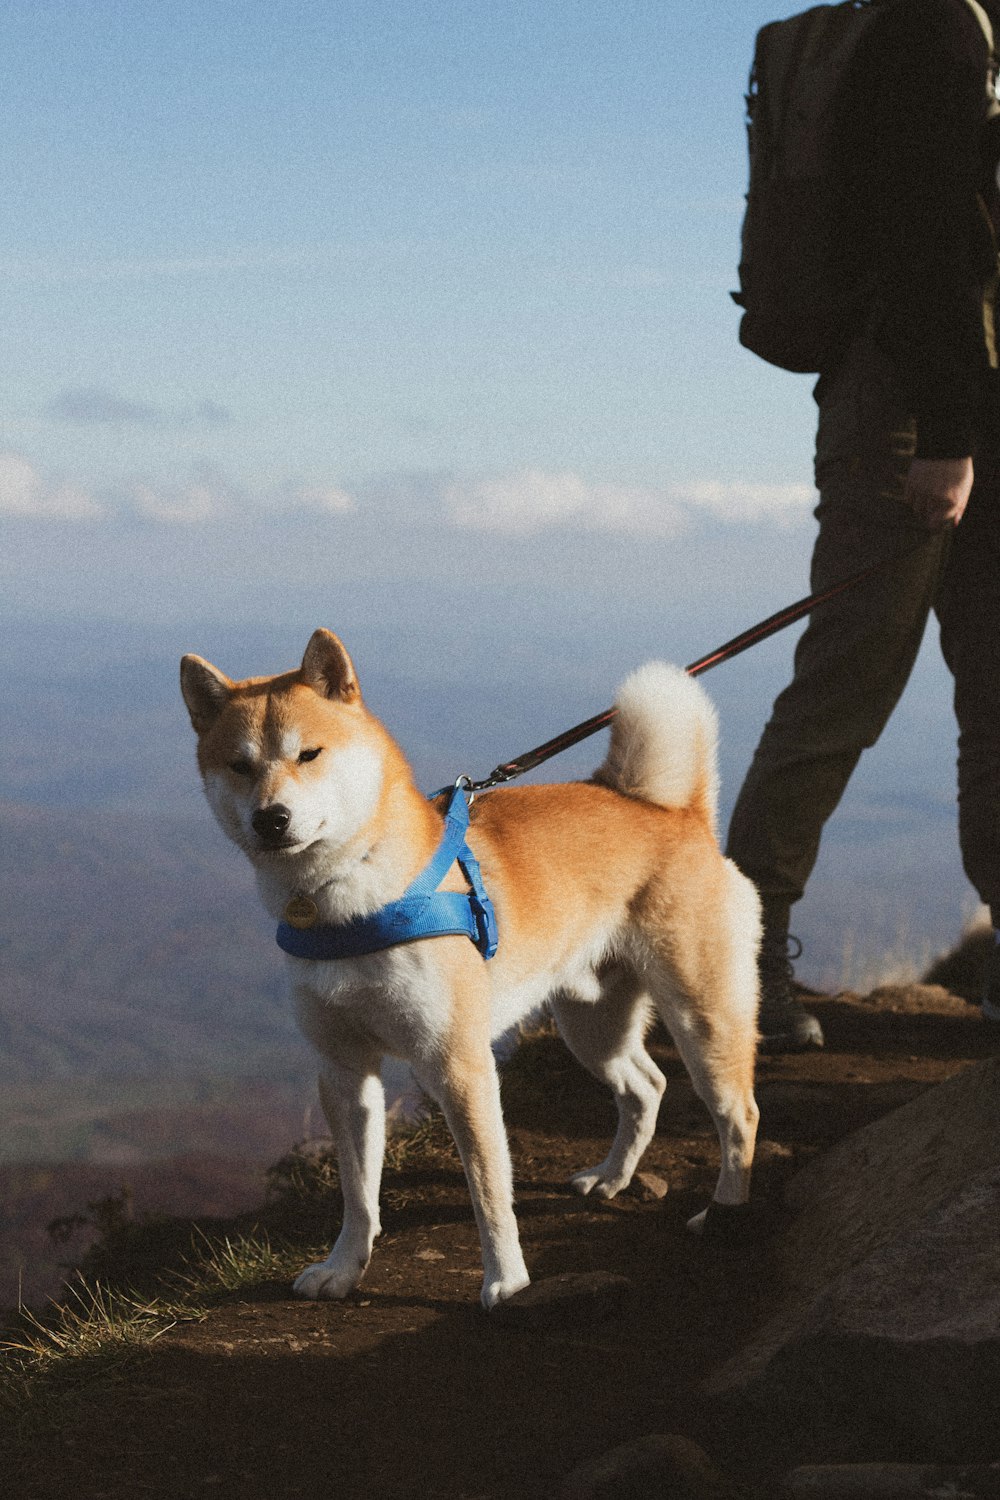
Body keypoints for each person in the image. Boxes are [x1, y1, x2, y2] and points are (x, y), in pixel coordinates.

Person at [727, 0, 1000, 1050]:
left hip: (962, 404)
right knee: (849, 679)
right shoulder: (932, 30)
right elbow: (925, 235)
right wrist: (941, 432)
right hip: (911, 412)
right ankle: (741, 945)